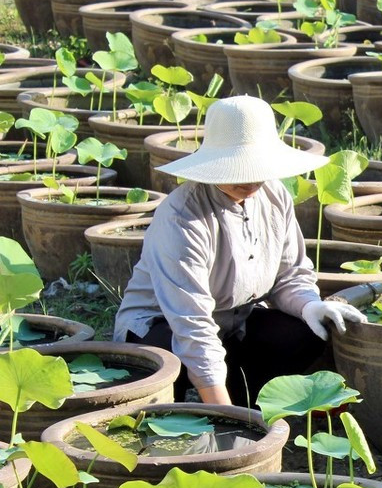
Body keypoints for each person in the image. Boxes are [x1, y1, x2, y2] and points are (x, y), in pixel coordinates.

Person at [113, 95, 366, 407]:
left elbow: (290, 276)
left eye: (255, 168)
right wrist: (226, 417)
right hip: (162, 326)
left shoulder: (275, 197)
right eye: (237, 169)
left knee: (305, 332)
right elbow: (191, 323)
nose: (249, 181)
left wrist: (310, 306)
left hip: (234, 322)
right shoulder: (183, 217)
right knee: (168, 364)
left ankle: (252, 401)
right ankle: (206, 405)